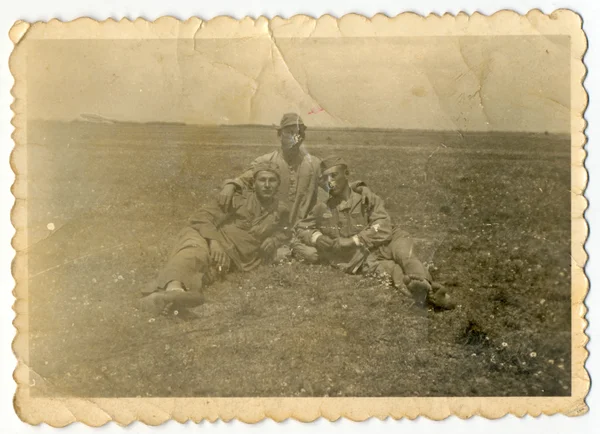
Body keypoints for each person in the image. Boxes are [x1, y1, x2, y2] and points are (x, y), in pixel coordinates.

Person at [295, 156, 455, 309]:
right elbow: (302, 227)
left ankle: (423, 282)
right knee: (392, 271)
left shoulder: (367, 198)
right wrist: (317, 238)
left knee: (406, 257)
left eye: (333, 175)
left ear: (346, 173)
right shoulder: (323, 207)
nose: (330, 181)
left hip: (391, 240)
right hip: (362, 257)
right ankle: (428, 293)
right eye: (325, 178)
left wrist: (354, 240)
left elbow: (384, 227)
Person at [217, 112, 373, 262]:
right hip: (271, 230)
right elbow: (244, 179)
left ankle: (294, 247)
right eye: (289, 132)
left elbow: (334, 185)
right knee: (274, 252)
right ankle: (279, 248)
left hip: (301, 229)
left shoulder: (313, 164)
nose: (294, 137)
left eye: (298, 133)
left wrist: (359, 188)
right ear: (280, 135)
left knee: (313, 255)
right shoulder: (266, 161)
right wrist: (231, 185)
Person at [140, 162, 289, 314]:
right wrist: (215, 242)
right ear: (254, 183)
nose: (267, 185)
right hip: (206, 238)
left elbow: (286, 231)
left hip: (231, 258)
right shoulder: (239, 199)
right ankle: (174, 289)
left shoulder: (281, 209)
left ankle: (163, 300)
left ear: (278, 185)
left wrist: (275, 239)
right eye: (262, 180)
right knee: (195, 253)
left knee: (206, 276)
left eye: (272, 180)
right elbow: (201, 218)